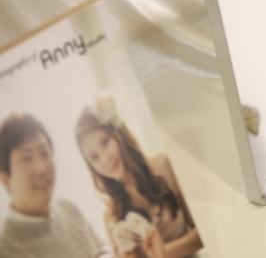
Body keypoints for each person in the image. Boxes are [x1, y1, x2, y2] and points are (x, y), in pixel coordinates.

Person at [74, 98, 201, 258]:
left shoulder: (164, 167)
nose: (105, 159)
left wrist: (163, 252)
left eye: (105, 142)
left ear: (118, 132)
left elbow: (204, 232)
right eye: (94, 157)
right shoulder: (111, 214)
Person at [0, 113, 113, 258]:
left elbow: (102, 247)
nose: (41, 169)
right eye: (26, 158)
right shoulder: (8, 249)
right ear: (6, 180)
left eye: (44, 153)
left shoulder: (68, 208)